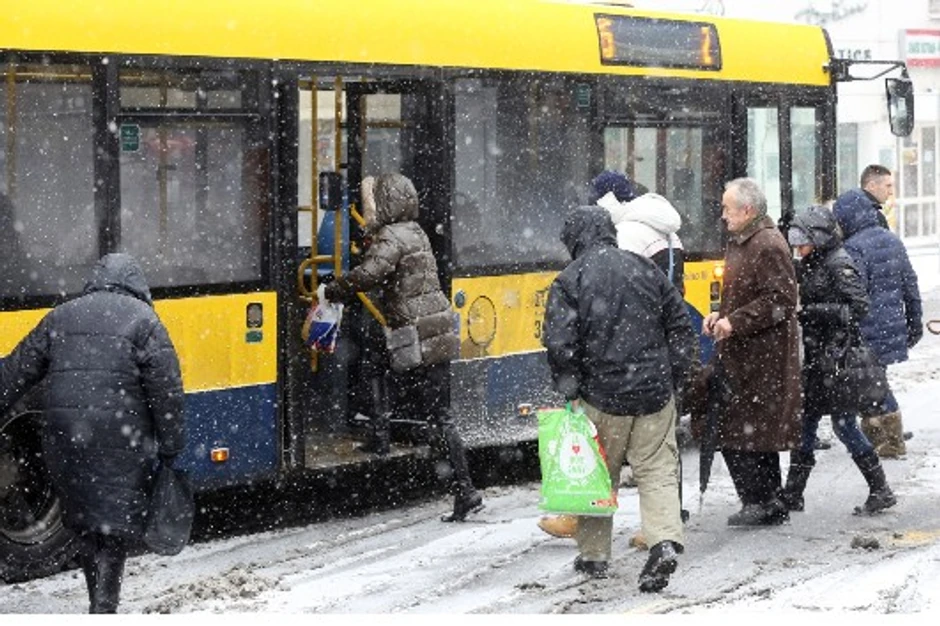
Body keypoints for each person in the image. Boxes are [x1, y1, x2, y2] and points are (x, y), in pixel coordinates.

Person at [0, 253, 185, 613]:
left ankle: (98, 603)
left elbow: (14, 373)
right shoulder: (145, 322)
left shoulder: (62, 315)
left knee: (85, 522)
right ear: (136, 283)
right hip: (120, 438)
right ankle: (104, 609)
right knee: (112, 527)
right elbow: (167, 391)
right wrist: (172, 445)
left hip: (66, 439)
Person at [541, 205, 696, 591]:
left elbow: (560, 343)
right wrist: (675, 377)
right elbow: (680, 326)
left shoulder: (570, 279)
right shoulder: (646, 269)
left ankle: (594, 555)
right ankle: (663, 542)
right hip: (654, 394)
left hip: (602, 396)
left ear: (574, 240)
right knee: (658, 469)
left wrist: (571, 389)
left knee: (597, 475)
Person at [323, 172, 483, 522]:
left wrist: (333, 290)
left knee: (437, 416)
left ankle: (464, 488)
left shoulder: (392, 236)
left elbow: (370, 274)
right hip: (432, 327)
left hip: (417, 332)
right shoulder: (415, 230)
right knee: (428, 406)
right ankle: (460, 486)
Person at [779, 205, 897, 515]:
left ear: (819, 238)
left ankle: (880, 488)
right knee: (809, 423)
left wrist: (811, 313)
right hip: (821, 358)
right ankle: (793, 494)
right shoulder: (814, 261)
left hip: (837, 360)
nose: (797, 248)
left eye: (801, 241)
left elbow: (858, 308)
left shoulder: (838, 263)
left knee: (842, 424)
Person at [702, 178, 802, 527]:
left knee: (744, 431)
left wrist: (736, 322)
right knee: (752, 432)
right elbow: (745, 294)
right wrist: (720, 315)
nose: (723, 215)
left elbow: (782, 300)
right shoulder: (745, 241)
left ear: (747, 210)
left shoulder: (767, 244)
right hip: (748, 354)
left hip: (762, 357)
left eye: (728, 209)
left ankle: (759, 500)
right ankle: (765, 500)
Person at [832, 188, 922, 458]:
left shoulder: (853, 247)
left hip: (867, 330)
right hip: (891, 327)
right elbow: (910, 285)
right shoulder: (892, 240)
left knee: (873, 384)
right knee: (876, 380)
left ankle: (890, 441)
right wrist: (914, 322)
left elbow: (855, 294)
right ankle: (887, 439)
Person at [860, 164, 894, 231]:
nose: (891, 192)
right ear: (872, 186)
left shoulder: (852, 208)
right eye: (888, 186)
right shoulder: (872, 218)